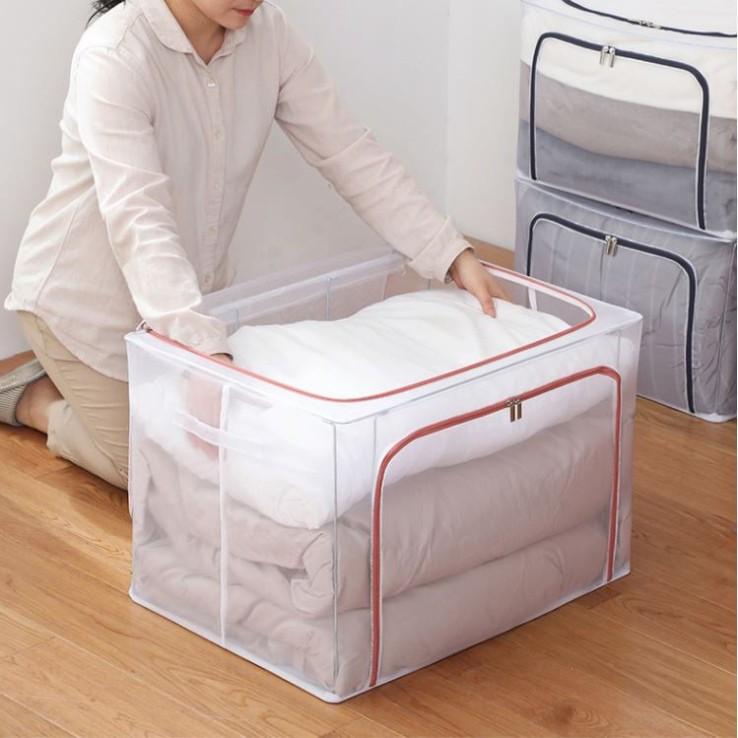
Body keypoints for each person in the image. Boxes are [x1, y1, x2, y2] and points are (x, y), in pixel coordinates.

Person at [0, 0, 509, 491]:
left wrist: (450, 252)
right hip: (83, 309)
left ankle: (103, 386)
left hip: (182, 304)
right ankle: (35, 398)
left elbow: (350, 153)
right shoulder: (114, 54)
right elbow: (139, 218)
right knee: (163, 479)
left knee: (235, 455)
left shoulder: (271, 35)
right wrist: (204, 355)